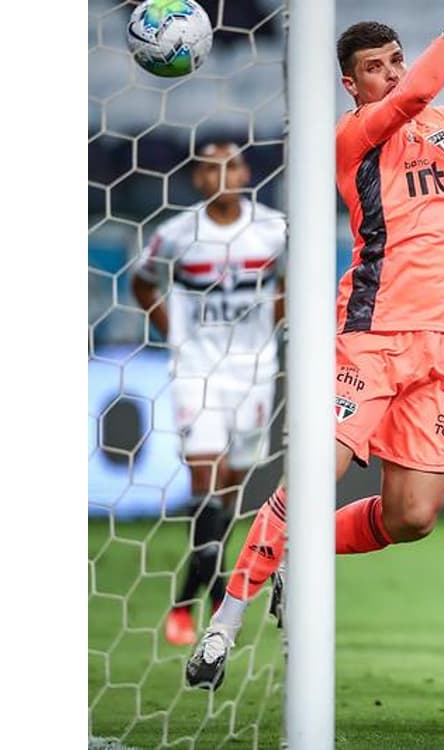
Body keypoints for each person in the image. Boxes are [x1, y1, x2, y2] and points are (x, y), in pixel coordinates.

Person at [185, 0, 444, 689]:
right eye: (376, 67)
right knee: (313, 479)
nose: (392, 74)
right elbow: (423, 89)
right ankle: (225, 621)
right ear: (352, 85)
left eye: (397, 59)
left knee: (412, 518)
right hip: (371, 336)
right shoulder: (353, 136)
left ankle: (296, 556)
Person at [131, 142, 286, 647]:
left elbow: (295, 281)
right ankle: (209, 598)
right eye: (210, 167)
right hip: (198, 369)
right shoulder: (176, 234)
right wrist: (175, 333)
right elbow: (141, 283)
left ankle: (192, 596)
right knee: (207, 477)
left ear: (245, 172)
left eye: (232, 164)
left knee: (228, 492)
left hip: (255, 371)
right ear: (197, 179)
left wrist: (270, 324)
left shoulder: (274, 228)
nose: (223, 174)